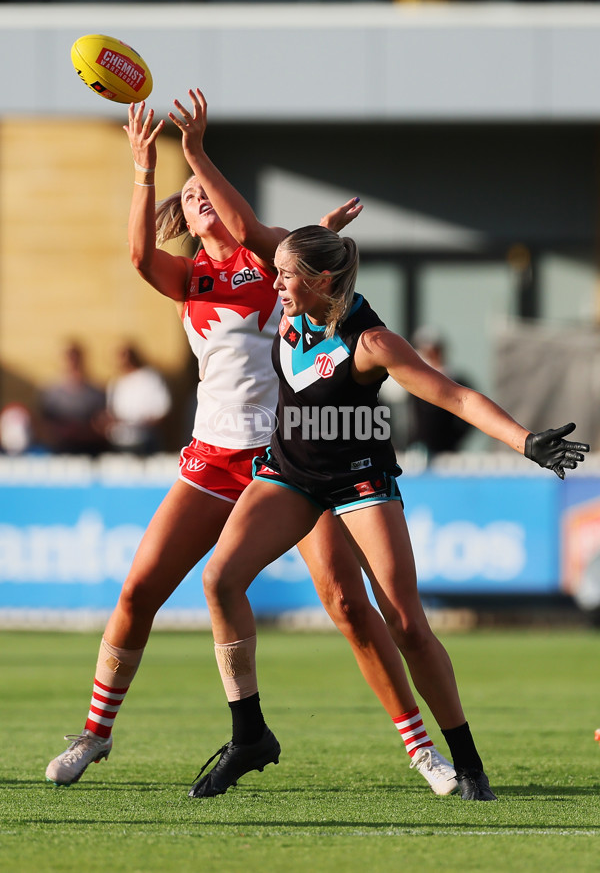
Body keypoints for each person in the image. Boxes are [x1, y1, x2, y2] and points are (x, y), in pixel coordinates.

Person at [45, 93, 460, 798]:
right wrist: (147, 169)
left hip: (292, 459)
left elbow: (273, 243)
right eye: (192, 194)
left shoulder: (271, 263)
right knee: (139, 589)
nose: (200, 196)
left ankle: (422, 749)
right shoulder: (189, 278)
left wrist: (215, 167)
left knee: (348, 604)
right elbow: (143, 254)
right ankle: (96, 732)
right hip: (214, 456)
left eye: (208, 187)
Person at [191, 224, 589, 801]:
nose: (272, 281)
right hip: (290, 475)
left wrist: (525, 442)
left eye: (284, 273)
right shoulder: (288, 306)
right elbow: (248, 227)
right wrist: (194, 154)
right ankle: (249, 735)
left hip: (358, 480)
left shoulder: (370, 340)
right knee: (220, 580)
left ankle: (469, 762)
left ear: (321, 279)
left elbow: (453, 395)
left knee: (405, 622)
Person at [405, 325, 474, 459]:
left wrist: (453, 439)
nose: (430, 356)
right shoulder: (411, 381)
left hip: (447, 453)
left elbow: (470, 417)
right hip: (415, 453)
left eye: (434, 351)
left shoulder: (457, 380)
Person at [39, 341, 107, 455]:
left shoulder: (96, 391)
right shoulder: (49, 392)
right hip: (60, 449)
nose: (71, 360)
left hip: (91, 449)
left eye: (74, 355)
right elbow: (43, 424)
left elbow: (102, 425)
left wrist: (83, 431)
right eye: (67, 356)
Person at [104, 341, 172, 454]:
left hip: (146, 440)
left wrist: (142, 423)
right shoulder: (116, 383)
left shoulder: (150, 378)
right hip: (121, 442)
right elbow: (112, 413)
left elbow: (163, 411)